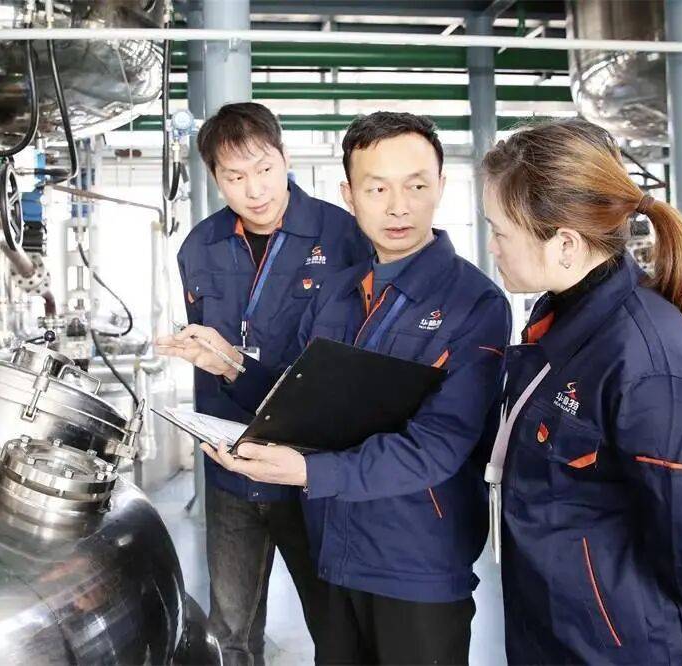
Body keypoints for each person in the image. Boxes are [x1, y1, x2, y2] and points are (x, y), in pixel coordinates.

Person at [158, 111, 511, 665]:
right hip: (335, 548)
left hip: (416, 561)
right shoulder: (339, 293)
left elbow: (439, 446)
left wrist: (307, 472)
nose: (398, 207)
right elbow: (296, 397)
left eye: (416, 186)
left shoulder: (475, 303)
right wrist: (228, 364)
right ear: (350, 195)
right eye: (377, 188)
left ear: (441, 186)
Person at [480, 119, 682, 664]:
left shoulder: (650, 366)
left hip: (630, 647)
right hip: (560, 632)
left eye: (500, 232)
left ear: (565, 244)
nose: (492, 246)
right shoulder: (563, 323)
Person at [175, 102, 370, 666]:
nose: (254, 189)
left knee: (336, 626)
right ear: (215, 178)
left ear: (285, 158)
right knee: (229, 632)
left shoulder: (344, 236)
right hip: (231, 464)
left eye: (264, 169)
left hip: (311, 468)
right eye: (235, 177)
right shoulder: (199, 246)